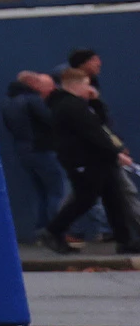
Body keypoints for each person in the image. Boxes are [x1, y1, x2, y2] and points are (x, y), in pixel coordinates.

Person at [46, 67, 140, 253]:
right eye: (87, 85)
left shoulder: (77, 105)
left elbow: (99, 124)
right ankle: (53, 230)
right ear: (77, 84)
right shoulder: (71, 106)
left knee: (115, 198)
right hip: (85, 161)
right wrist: (115, 153)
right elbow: (93, 133)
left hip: (97, 160)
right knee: (85, 198)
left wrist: (95, 102)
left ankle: (125, 240)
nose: (90, 89)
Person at [2, 72, 68, 241]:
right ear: (31, 82)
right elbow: (50, 120)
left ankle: (41, 230)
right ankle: (56, 231)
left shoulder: (9, 102)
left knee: (41, 192)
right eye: (38, 82)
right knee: (57, 191)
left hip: (23, 150)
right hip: (41, 149)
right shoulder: (32, 99)